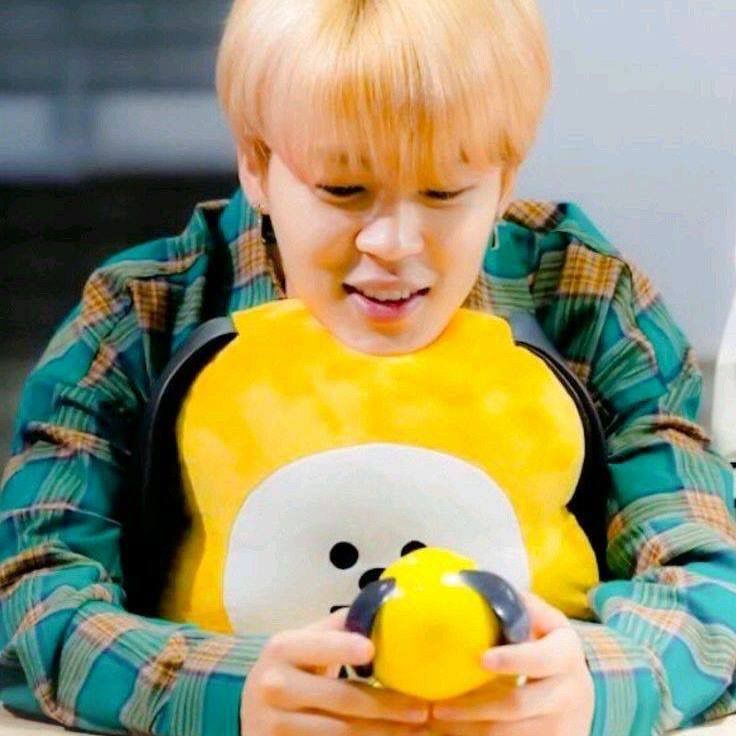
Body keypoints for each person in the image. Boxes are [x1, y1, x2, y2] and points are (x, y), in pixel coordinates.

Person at [1, 0, 735, 734]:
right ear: (257, 164)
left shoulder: (590, 301)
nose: (393, 243)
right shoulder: (142, 315)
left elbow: (711, 577)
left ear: (505, 179)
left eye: (443, 192)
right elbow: (33, 589)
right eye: (343, 190)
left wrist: (596, 683)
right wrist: (228, 693)